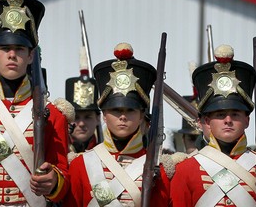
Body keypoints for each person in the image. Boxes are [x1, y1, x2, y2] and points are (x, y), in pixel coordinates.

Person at [0, 0, 69, 206]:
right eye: (5, 48)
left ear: (31, 55)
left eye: (19, 48)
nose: (12, 55)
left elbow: (63, 174)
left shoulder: (53, 114)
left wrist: (53, 181)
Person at [63, 42, 185, 206]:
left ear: (142, 116)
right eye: (115, 110)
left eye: (130, 110)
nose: (122, 116)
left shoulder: (159, 168)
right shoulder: (80, 164)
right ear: (104, 115)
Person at [170, 44, 256, 206]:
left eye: (236, 114)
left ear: (247, 120)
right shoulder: (185, 169)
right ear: (207, 122)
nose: (228, 120)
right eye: (220, 115)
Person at [65, 48, 101, 155]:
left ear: (98, 118)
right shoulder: (57, 151)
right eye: (76, 117)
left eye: (88, 117)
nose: (81, 124)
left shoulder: (106, 153)